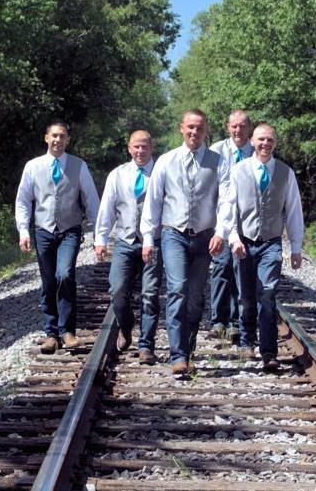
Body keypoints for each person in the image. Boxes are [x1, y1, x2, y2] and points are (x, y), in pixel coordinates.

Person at [141, 109, 232, 376]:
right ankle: (177, 355)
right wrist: (148, 237)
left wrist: (221, 232)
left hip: (205, 236)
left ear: (206, 131)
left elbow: (227, 199)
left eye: (200, 128)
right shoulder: (166, 161)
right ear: (181, 128)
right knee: (177, 289)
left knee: (195, 296)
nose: (194, 132)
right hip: (173, 234)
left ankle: (188, 349)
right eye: (190, 127)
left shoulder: (219, 162)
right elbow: (154, 201)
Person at [15, 121, 100, 354]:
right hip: (43, 230)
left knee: (65, 275)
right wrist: (23, 230)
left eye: (62, 136)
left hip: (70, 229)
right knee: (49, 281)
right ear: (46, 138)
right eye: (54, 136)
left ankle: (68, 331)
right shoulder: (33, 166)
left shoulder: (78, 166)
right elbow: (23, 199)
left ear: (68, 140)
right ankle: (50, 333)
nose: (58, 140)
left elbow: (91, 199)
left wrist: (98, 233)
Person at [229, 124, 304, 371]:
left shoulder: (285, 173)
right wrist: (233, 237)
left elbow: (293, 211)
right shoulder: (238, 171)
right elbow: (228, 208)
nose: (265, 144)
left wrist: (295, 247)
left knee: (267, 294)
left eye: (270, 140)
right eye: (261, 139)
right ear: (252, 141)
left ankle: (269, 352)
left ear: (275, 143)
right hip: (243, 242)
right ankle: (247, 341)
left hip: (271, 243)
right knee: (246, 297)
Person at [94, 130, 162, 365]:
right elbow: (107, 207)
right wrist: (101, 238)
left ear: (151, 147)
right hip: (125, 240)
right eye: (136, 147)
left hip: (154, 241)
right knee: (118, 290)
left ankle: (146, 346)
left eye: (144, 146)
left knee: (150, 294)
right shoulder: (118, 174)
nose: (140, 151)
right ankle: (126, 325)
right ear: (129, 148)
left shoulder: (162, 172)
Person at [207, 110, 255, 342]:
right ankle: (219, 320)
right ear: (228, 127)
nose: (238, 130)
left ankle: (237, 321)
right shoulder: (216, 151)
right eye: (234, 126)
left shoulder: (257, 152)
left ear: (249, 128)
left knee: (242, 269)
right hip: (221, 220)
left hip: (247, 222)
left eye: (242, 126)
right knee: (221, 266)